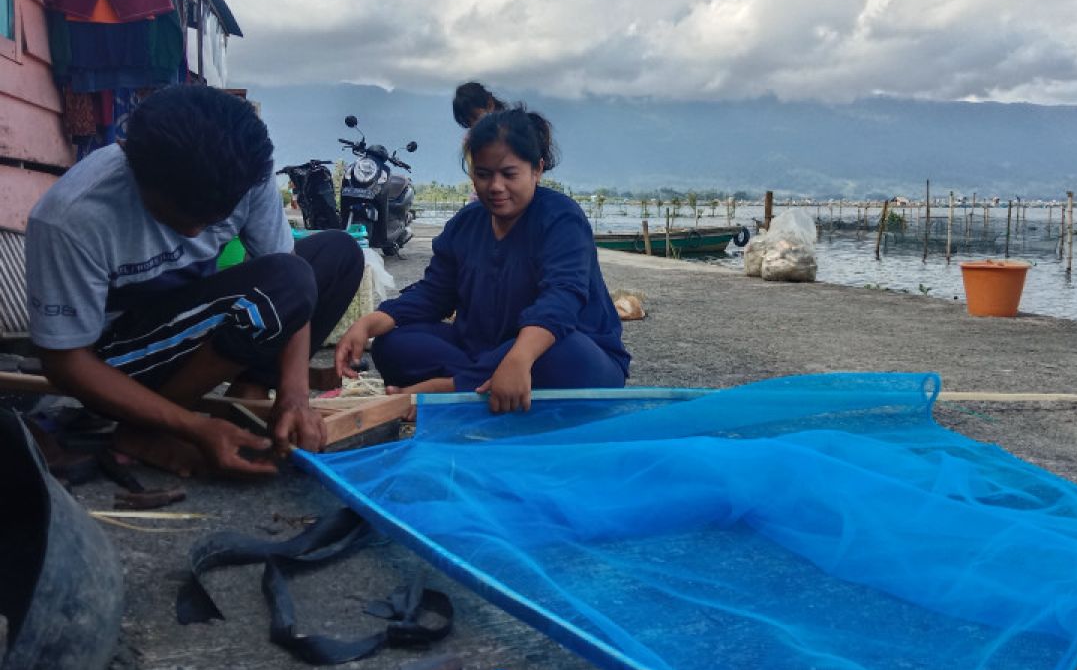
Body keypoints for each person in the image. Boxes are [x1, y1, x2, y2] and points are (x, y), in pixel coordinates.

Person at [25, 85, 364, 476]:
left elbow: (293, 280)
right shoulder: (72, 217)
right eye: (178, 213)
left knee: (337, 255)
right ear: (133, 166)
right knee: (285, 283)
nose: (194, 232)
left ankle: (251, 391)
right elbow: (64, 361)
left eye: (212, 217)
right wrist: (194, 427)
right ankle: (145, 430)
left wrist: (294, 394)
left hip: (191, 316)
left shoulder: (244, 171)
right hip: (118, 359)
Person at [335, 106, 629, 414]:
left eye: (509, 174)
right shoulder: (466, 222)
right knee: (392, 345)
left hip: (559, 352)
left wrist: (519, 358)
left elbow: (562, 299)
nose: (496, 187)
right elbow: (434, 294)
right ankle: (480, 383)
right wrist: (368, 324)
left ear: (537, 170)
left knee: (569, 353)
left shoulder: (561, 219)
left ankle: (445, 389)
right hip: (483, 351)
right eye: (483, 174)